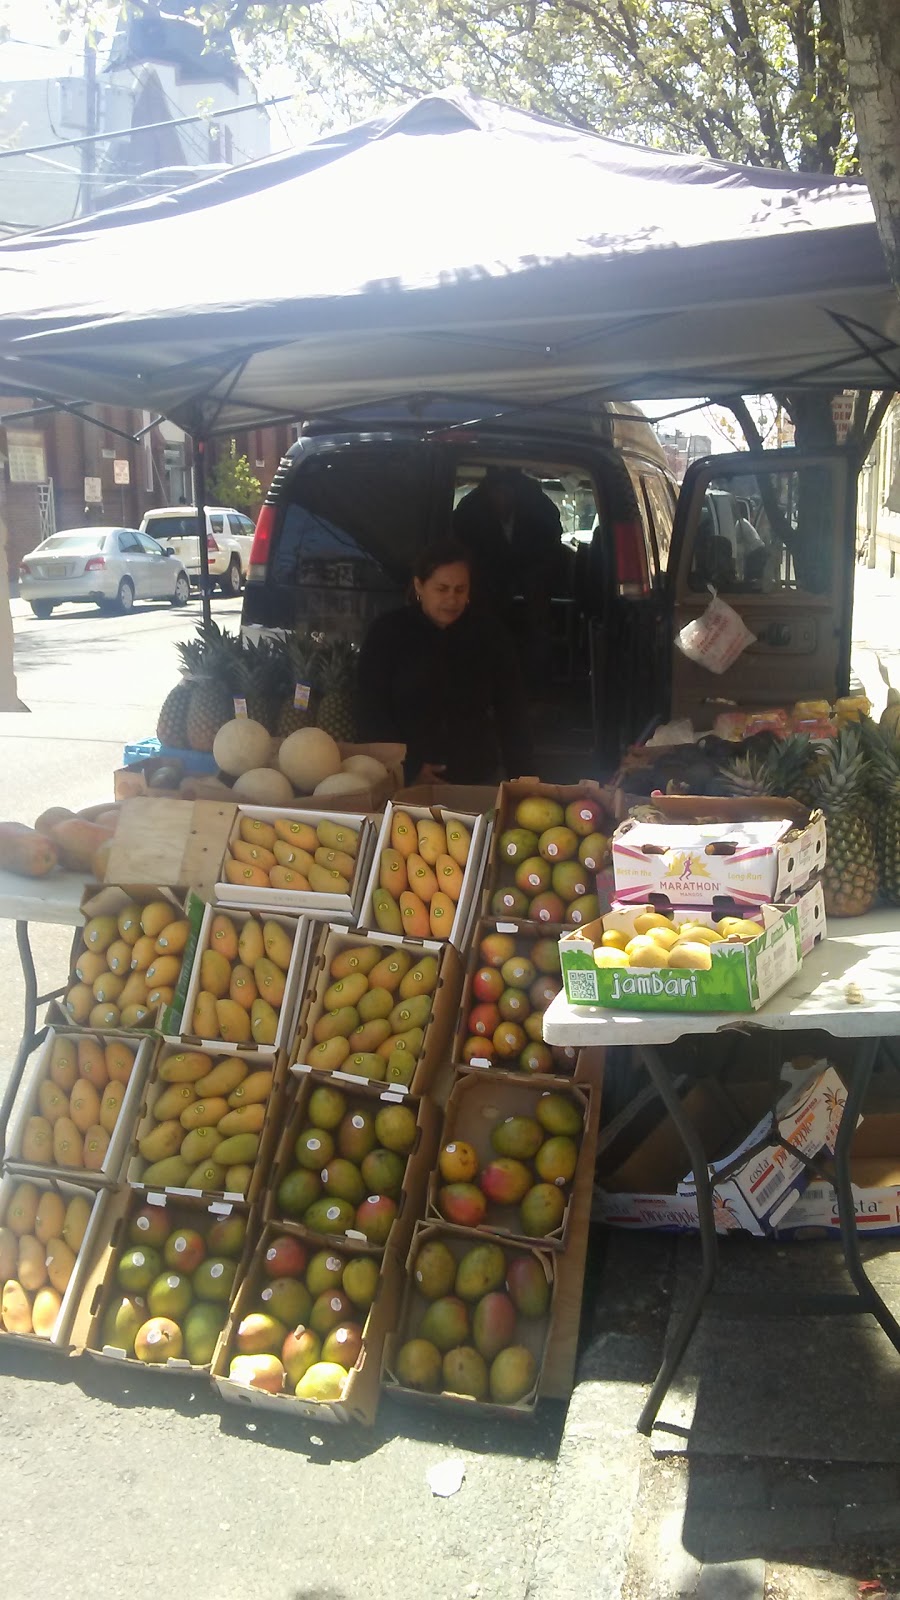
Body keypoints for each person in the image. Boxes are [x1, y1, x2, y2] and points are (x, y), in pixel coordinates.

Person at [356, 541, 533, 785]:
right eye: (442, 589)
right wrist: (408, 768)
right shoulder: (388, 633)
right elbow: (370, 709)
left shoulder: (489, 634)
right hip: (403, 781)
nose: (452, 599)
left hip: (475, 777)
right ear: (419, 586)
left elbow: (512, 710)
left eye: (460, 590)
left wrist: (524, 779)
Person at [453, 465, 564, 686]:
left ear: (517, 492)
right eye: (495, 492)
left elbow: (551, 544)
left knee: (538, 621)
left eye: (507, 492)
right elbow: (461, 549)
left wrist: (534, 576)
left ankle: (537, 683)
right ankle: (484, 678)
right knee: (482, 619)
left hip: (533, 572)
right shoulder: (470, 512)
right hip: (486, 576)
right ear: (487, 493)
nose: (501, 498)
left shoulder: (540, 510)